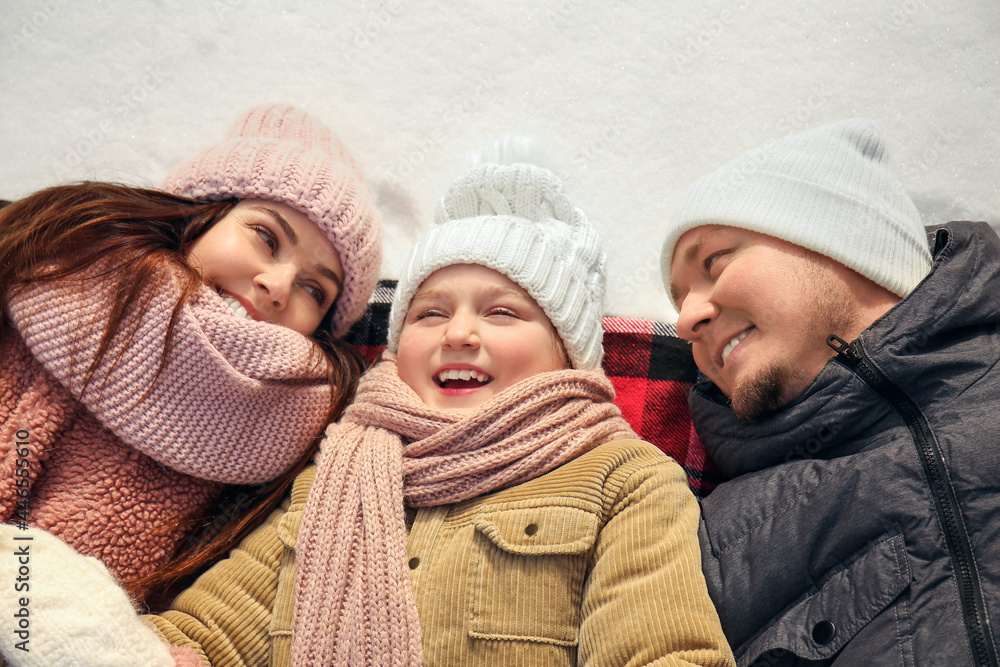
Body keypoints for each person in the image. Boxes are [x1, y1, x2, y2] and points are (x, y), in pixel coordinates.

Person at [2, 144, 737, 667]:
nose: (459, 332)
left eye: (504, 313)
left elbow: (660, 646)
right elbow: (215, 626)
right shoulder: (334, 471)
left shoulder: (622, 478)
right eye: (429, 313)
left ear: (567, 353)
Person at [0, 104, 381, 606]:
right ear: (202, 216)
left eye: (315, 289)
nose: (278, 286)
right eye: (265, 238)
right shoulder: (55, 267)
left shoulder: (299, 436)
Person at [661, 118, 1000, 665]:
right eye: (679, 300)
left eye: (714, 263)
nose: (685, 320)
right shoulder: (706, 546)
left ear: (844, 242)